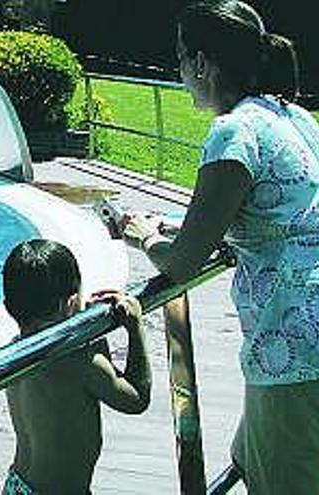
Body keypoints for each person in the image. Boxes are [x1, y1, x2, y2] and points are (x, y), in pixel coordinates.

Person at [120, 2, 319, 492]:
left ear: (202, 64)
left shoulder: (233, 131)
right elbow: (263, 215)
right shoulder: (291, 117)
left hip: (292, 349)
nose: (181, 71)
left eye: (181, 58)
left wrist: (143, 237)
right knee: (247, 458)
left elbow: (184, 260)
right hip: (303, 339)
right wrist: (169, 224)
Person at [1, 239, 151, 494]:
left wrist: (89, 330)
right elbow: (135, 399)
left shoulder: (16, 351)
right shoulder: (77, 362)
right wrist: (135, 328)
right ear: (70, 303)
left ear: (9, 307)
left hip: (17, 485)